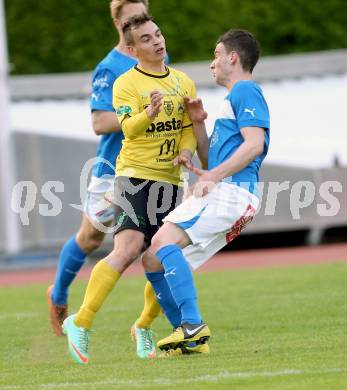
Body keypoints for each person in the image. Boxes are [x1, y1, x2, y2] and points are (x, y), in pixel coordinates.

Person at [62, 13, 201, 364]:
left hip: (170, 181)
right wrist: (149, 113)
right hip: (134, 176)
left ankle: (143, 326)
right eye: (147, 38)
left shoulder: (184, 81)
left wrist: (185, 152)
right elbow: (129, 128)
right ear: (132, 48)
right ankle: (81, 320)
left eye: (158, 34)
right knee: (128, 249)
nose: (157, 41)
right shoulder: (125, 83)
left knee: (163, 257)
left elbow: (187, 128)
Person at [142, 28, 270, 354]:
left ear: (233, 57)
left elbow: (254, 145)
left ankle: (193, 325)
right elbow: (209, 159)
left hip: (232, 192)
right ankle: (188, 337)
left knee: (162, 242)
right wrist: (198, 123)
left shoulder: (245, 91)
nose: (212, 63)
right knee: (153, 259)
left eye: (216, 55)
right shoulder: (232, 99)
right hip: (227, 193)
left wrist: (214, 175)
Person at [46, 1, 164, 357]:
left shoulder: (155, 51)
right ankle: (59, 295)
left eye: (143, 16)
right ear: (117, 22)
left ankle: (151, 327)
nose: (139, 23)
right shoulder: (109, 67)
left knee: (158, 245)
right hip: (113, 169)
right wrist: (144, 115)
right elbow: (99, 122)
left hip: (151, 167)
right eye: (131, 19)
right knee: (90, 236)